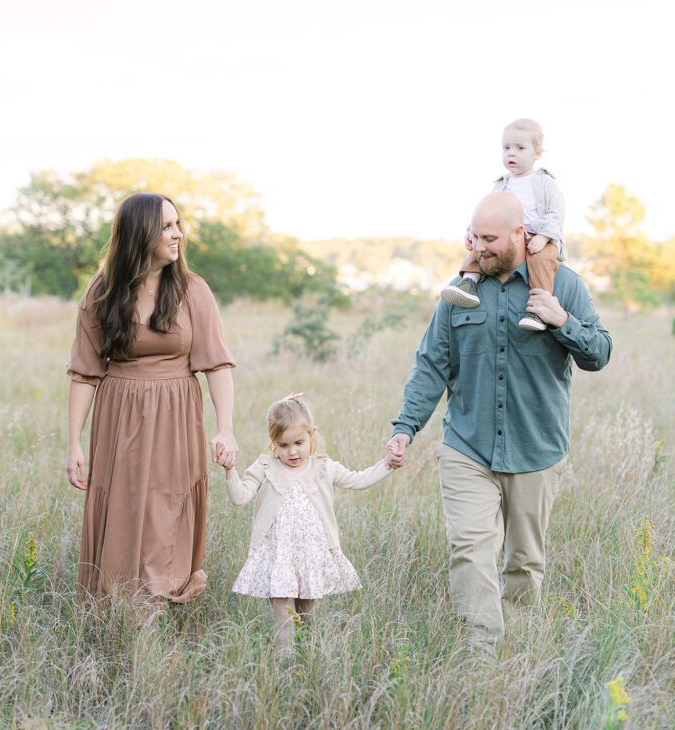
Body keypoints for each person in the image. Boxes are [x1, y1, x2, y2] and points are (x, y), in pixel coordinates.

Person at [388, 192, 611, 643]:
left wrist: (561, 320)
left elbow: (600, 354)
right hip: (467, 447)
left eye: (489, 239)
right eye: (475, 237)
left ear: (519, 233)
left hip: (537, 450)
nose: (479, 247)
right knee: (471, 550)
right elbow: (432, 363)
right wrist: (405, 427)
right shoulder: (459, 292)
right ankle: (480, 658)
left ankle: (519, 656)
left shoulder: (563, 284)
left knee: (524, 562)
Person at [66, 192, 237, 603]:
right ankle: (117, 599)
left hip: (176, 412)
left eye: (178, 224)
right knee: (122, 504)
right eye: (166, 227)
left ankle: (162, 594)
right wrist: (73, 442)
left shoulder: (193, 290)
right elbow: (85, 373)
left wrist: (225, 430)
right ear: (138, 234)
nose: (178, 234)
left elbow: (216, 365)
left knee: (166, 502)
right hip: (118, 413)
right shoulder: (102, 293)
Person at [218, 394, 396, 655]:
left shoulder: (322, 467)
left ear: (312, 435)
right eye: (283, 445)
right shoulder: (265, 466)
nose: (292, 452)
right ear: (273, 443)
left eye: (299, 443)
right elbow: (239, 497)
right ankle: (284, 665)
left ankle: (306, 663)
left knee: (306, 618)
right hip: (279, 555)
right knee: (284, 616)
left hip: (310, 554)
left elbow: (358, 480)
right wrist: (230, 470)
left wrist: (388, 464)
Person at [441, 118, 566, 331]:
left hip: (537, 237)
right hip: (508, 236)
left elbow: (556, 213)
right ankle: (469, 282)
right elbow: (487, 213)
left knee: (542, 260)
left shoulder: (544, 182)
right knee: (484, 245)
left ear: (537, 153)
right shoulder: (501, 184)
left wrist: (544, 237)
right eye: (506, 147)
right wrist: (473, 231)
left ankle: (538, 310)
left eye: (520, 148)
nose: (511, 153)